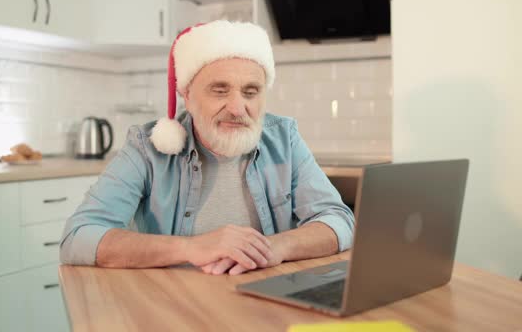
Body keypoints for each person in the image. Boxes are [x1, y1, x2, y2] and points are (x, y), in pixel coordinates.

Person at [60, 20, 355, 276]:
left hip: (262, 300)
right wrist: (192, 248)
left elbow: (339, 220)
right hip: (174, 304)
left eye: (251, 92)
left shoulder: (284, 139)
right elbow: (79, 237)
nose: (238, 108)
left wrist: (274, 247)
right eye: (220, 90)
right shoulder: (147, 148)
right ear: (187, 95)